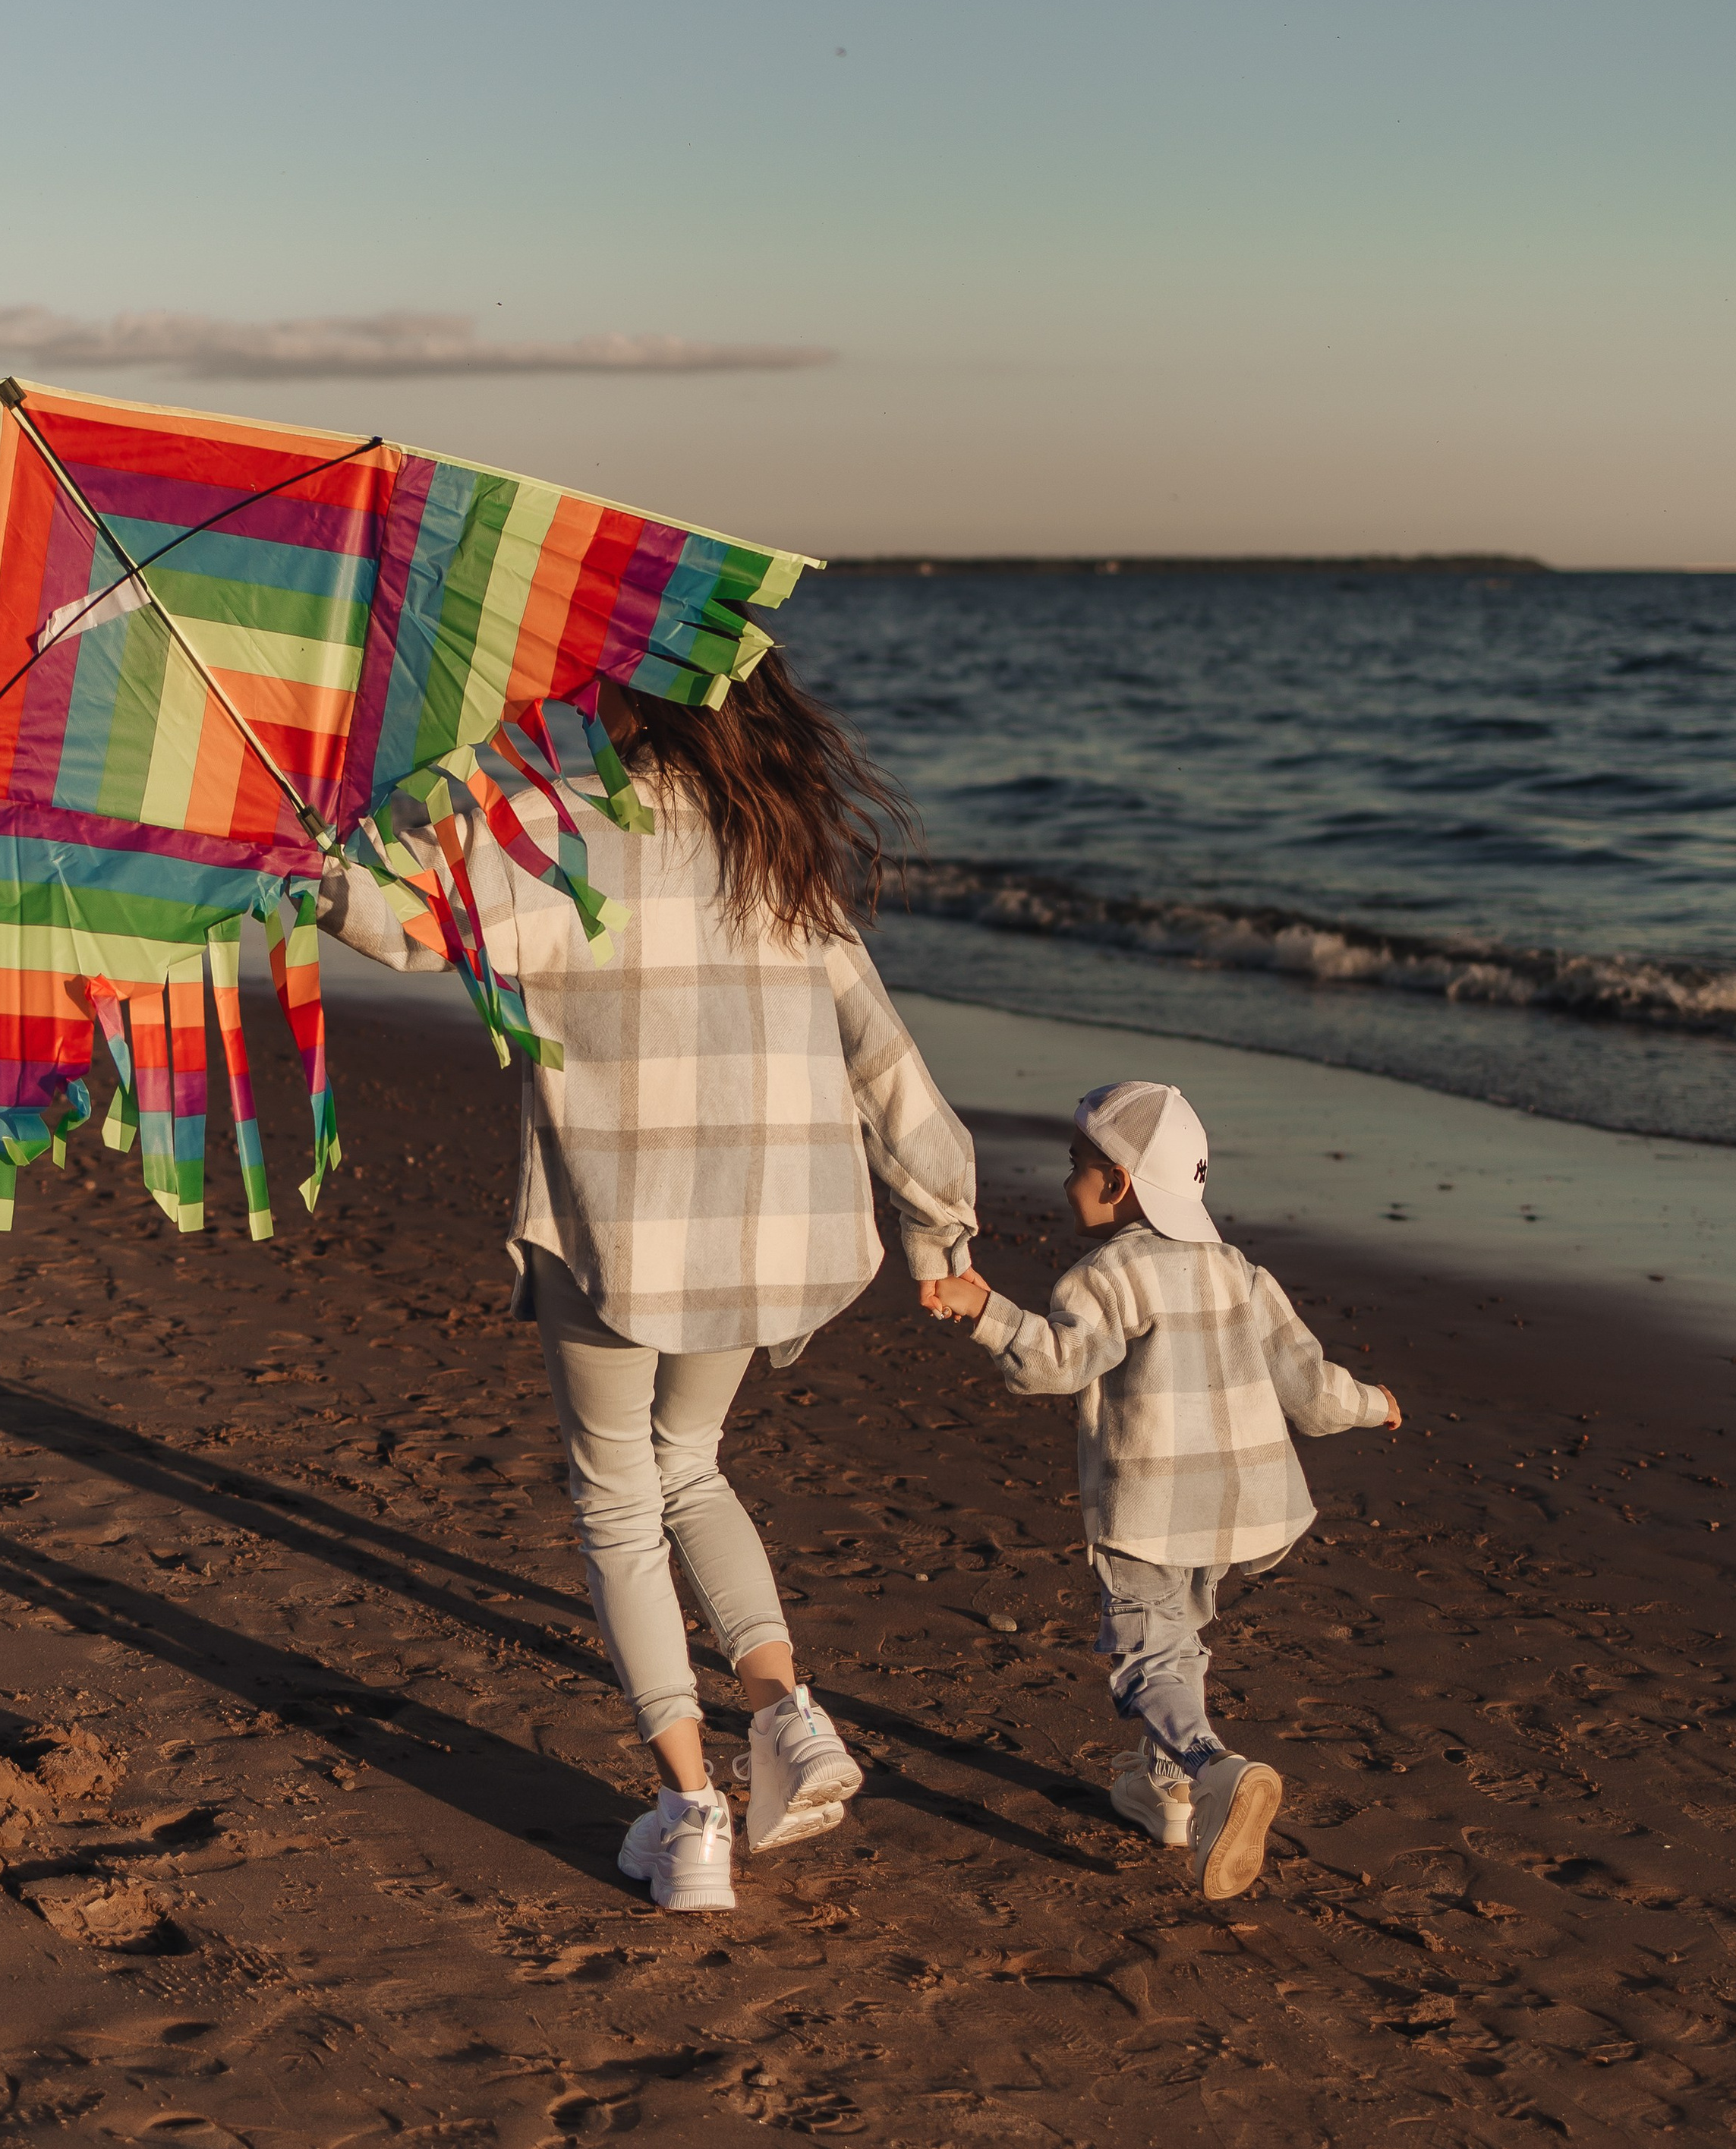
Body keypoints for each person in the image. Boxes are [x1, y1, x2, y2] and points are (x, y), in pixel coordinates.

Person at [318, 657, 977, 1913]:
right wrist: (941, 1223)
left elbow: (416, 929)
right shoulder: (775, 843)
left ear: (641, 704)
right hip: (766, 1228)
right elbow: (881, 1050)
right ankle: (787, 1717)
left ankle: (689, 1819)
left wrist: (313, 870)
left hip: (623, 1230)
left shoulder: (564, 826)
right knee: (691, 1460)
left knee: (619, 1498)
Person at [925, 1078, 1400, 1902]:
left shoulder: (1106, 1276)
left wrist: (985, 1312)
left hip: (1147, 1509)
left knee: (1146, 1657)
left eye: (1076, 1164)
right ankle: (1165, 1795)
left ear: (1117, 1182)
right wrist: (1374, 1404)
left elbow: (1058, 1362)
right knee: (1182, 1639)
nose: (1065, 1179)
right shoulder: (1240, 1274)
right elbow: (1311, 1387)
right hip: (1234, 1506)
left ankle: (1214, 1771)